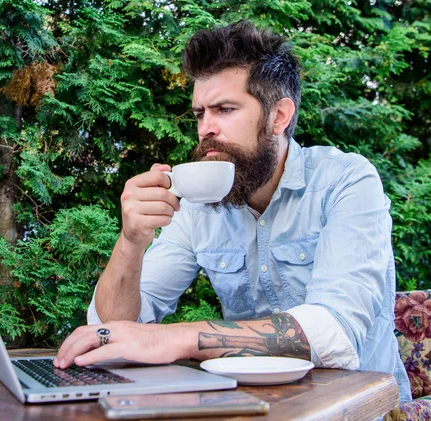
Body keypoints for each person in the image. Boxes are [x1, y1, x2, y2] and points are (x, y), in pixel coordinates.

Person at [54, 20, 411, 402]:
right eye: (199, 114)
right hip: (251, 405)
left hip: (361, 408)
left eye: (224, 109)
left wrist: (176, 338)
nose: (205, 128)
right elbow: (111, 330)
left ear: (279, 116)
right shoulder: (198, 206)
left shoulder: (346, 182)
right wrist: (131, 241)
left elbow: (335, 331)